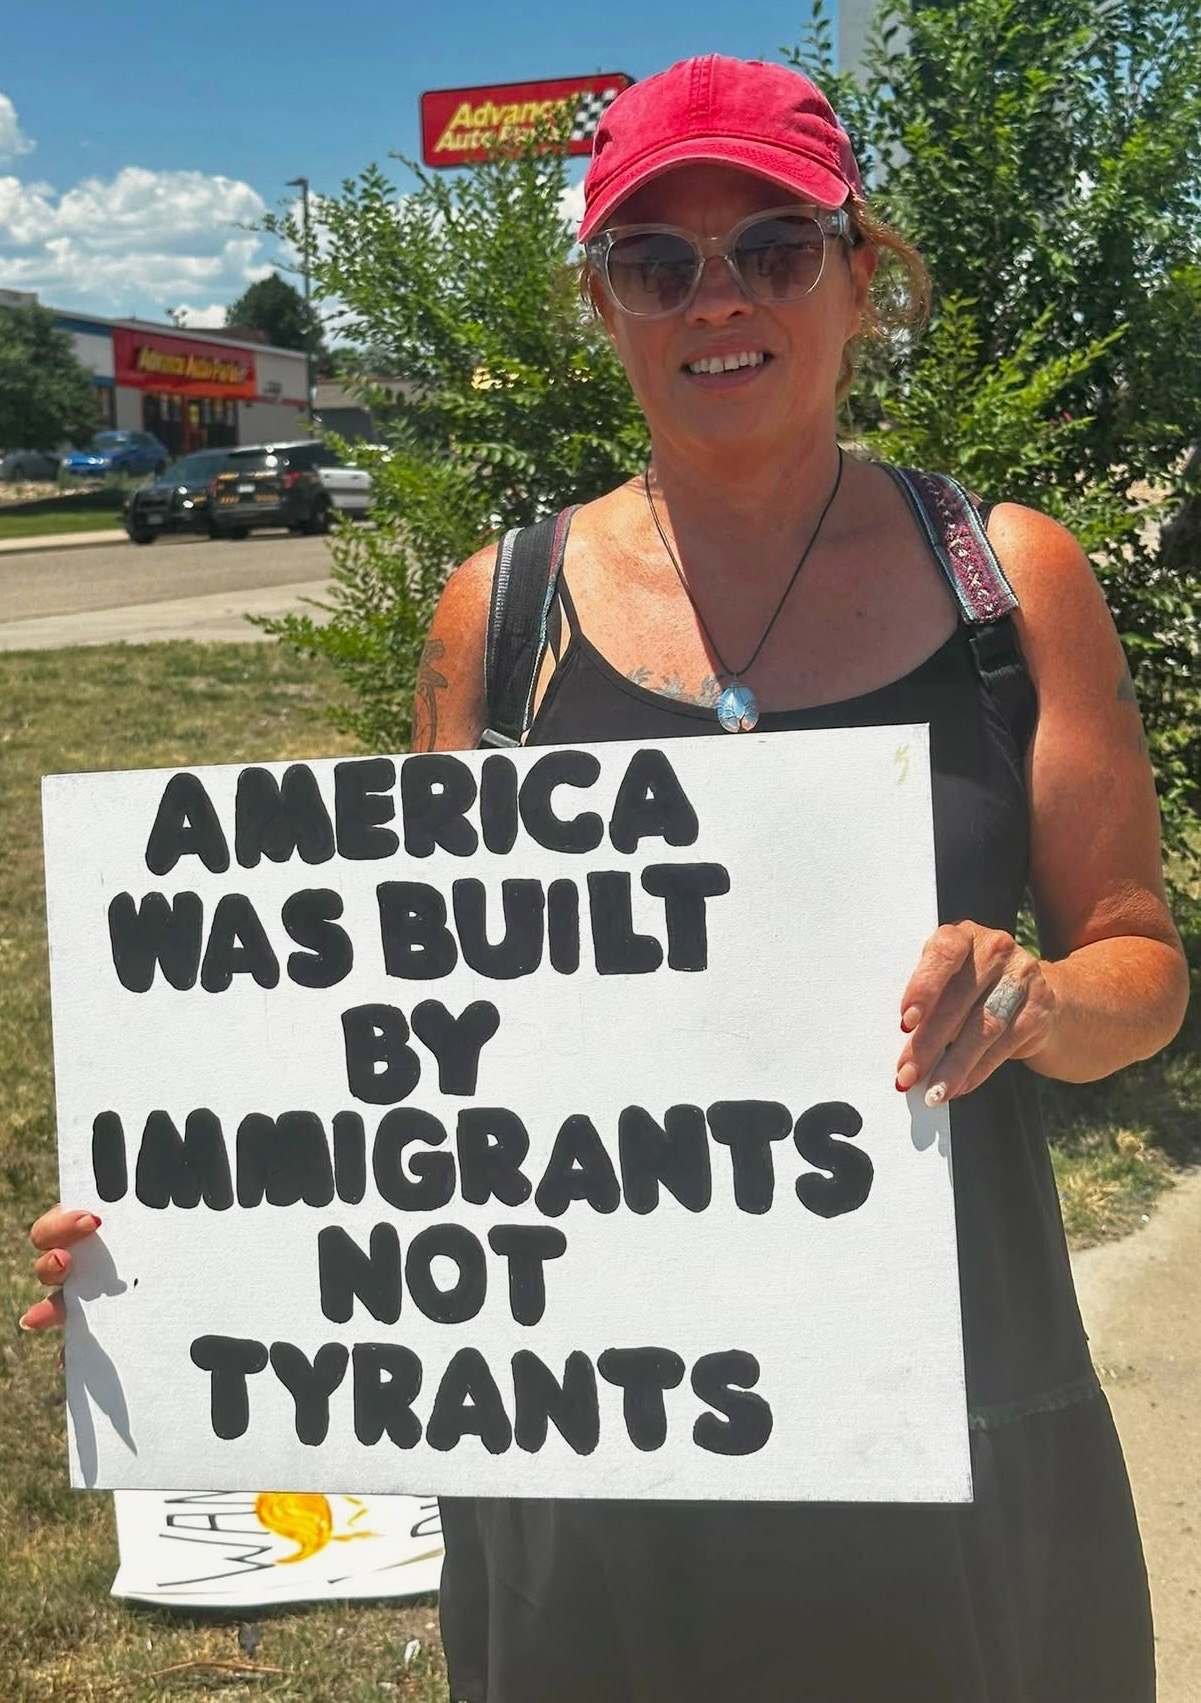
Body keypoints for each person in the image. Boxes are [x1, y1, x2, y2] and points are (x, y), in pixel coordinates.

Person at [26, 53, 1189, 1703]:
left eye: (774, 246)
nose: (718, 296)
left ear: (860, 275)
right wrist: (185, 1232)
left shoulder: (1003, 580)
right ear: (602, 303)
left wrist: (1041, 998)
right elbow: (393, 1030)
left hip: (948, 1409)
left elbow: (1142, 965)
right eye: (655, 260)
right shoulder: (500, 613)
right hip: (590, 1452)